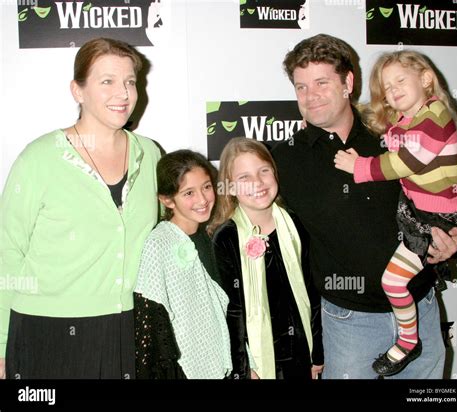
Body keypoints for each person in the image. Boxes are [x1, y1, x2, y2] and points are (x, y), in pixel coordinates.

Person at [272, 34, 457, 379]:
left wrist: (453, 237)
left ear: (348, 82)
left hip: (422, 309)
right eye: (301, 87)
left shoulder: (393, 134)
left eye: (321, 83)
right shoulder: (283, 159)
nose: (310, 96)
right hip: (349, 324)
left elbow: (447, 189)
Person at [0, 38, 161, 379]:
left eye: (130, 81)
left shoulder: (149, 155)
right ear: (78, 90)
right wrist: (0, 346)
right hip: (45, 332)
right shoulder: (40, 158)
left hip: (126, 328)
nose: (123, 93)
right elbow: (7, 253)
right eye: (107, 81)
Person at [334, 50, 457, 376]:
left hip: (437, 216)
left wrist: (359, 166)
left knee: (394, 281)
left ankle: (408, 342)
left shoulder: (435, 117)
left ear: (425, 79)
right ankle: (412, 334)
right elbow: (380, 123)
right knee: (397, 279)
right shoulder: (406, 116)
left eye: (400, 81)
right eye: (386, 87)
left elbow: (404, 163)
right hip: (420, 210)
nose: (392, 91)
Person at [210, 137, 324, 379]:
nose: (258, 182)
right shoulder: (226, 237)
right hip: (259, 358)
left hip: (300, 352)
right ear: (229, 188)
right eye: (244, 178)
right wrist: (242, 368)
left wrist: (317, 354)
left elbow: (311, 291)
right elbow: (233, 310)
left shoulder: (293, 223)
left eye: (264, 171)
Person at [134, 150, 232, 379]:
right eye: (189, 193)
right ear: (167, 200)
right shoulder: (157, 243)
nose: (202, 199)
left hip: (219, 360)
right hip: (180, 368)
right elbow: (150, 322)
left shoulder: (209, 237)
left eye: (207, 187)